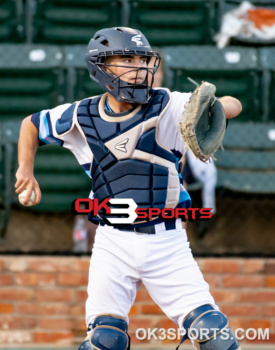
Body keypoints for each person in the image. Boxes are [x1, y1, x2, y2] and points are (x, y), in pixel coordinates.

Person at [15, 27, 242, 350]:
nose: (139, 66)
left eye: (143, 58)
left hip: (167, 242)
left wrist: (216, 107)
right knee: (105, 340)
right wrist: (26, 169)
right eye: (127, 58)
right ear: (101, 66)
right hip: (112, 242)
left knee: (213, 334)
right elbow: (32, 125)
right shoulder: (82, 114)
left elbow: (232, 104)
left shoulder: (167, 104)